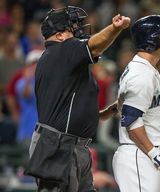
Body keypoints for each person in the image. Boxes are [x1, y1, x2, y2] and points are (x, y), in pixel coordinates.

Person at [25, 6, 130, 192]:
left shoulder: (65, 60)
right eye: (72, 28)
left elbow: (67, 108)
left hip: (73, 145)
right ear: (59, 36)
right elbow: (95, 45)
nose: (78, 31)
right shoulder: (61, 51)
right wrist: (115, 28)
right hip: (57, 146)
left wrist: (103, 113)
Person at [112, 15, 160, 192]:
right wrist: (154, 151)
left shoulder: (147, 69)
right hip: (140, 156)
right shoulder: (141, 74)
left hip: (148, 154)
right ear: (151, 39)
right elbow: (131, 120)